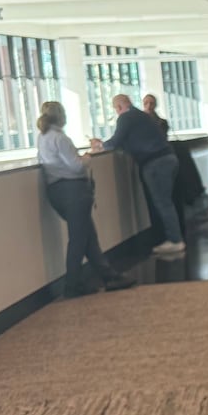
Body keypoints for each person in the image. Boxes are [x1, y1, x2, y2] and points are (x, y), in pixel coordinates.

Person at [36, 101, 136, 297]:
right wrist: (87, 157)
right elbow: (76, 166)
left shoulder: (42, 137)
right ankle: (72, 286)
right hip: (74, 190)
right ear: (61, 116)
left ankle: (109, 276)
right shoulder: (61, 138)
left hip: (56, 190)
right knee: (79, 239)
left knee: (88, 237)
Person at [90, 94, 184, 254]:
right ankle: (175, 237)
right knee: (166, 202)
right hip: (168, 158)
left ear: (119, 107)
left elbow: (116, 141)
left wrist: (100, 145)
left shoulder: (125, 118)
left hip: (154, 163)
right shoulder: (142, 116)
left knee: (163, 203)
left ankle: (175, 240)